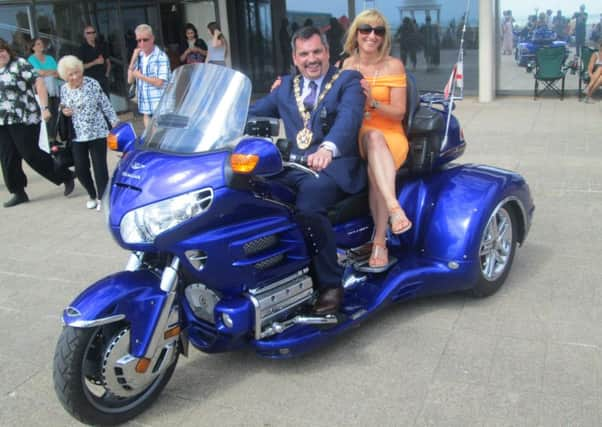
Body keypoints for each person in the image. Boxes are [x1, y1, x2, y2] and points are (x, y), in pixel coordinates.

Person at [249, 26, 366, 315]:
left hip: (335, 167)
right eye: (304, 53)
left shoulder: (348, 80)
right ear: (295, 57)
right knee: (250, 193)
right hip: (291, 166)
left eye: (316, 51)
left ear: (327, 52)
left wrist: (328, 148)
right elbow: (254, 111)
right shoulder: (287, 87)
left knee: (309, 206)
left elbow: (349, 119)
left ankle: (330, 283)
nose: (311, 59)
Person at [339, 9, 412, 269]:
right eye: (366, 29)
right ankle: (393, 212)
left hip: (390, 132)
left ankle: (380, 239)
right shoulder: (346, 65)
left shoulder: (393, 65)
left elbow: (399, 113)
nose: (372, 35)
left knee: (376, 144)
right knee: (370, 137)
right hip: (357, 132)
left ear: (384, 37)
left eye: (378, 31)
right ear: (356, 33)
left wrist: (373, 101)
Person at [0, 38, 74, 208]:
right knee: (7, 157)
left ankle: (65, 176)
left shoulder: (19, 64)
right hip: (3, 121)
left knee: (30, 154)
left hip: (25, 118)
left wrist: (45, 107)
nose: (1, 54)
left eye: (2, 50)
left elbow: (39, 83)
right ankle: (18, 192)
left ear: (8, 50)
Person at [58, 55, 118, 210]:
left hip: (97, 131)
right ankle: (91, 194)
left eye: (77, 72)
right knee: (81, 169)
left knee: (100, 167)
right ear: (66, 76)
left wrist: (115, 123)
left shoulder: (92, 84)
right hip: (77, 135)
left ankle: (102, 198)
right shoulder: (64, 89)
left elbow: (105, 104)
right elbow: (63, 106)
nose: (75, 76)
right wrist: (64, 111)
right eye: (71, 74)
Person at [127, 24, 171, 128]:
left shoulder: (160, 57)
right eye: (139, 40)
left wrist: (140, 76)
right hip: (146, 106)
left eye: (145, 40)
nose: (142, 43)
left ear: (152, 39)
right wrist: (133, 58)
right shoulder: (140, 56)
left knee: (160, 139)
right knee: (149, 138)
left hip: (160, 106)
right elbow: (130, 80)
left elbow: (160, 82)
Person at [28, 37, 60, 144]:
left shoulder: (50, 58)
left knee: (55, 114)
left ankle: (54, 138)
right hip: (42, 92)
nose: (41, 45)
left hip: (54, 90)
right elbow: (39, 73)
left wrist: (47, 72)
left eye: (41, 43)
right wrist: (50, 72)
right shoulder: (31, 59)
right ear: (33, 47)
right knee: (47, 113)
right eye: (38, 44)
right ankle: (48, 139)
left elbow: (58, 73)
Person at [78, 25, 111, 95]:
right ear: (85, 35)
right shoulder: (82, 49)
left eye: (93, 32)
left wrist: (107, 75)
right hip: (90, 81)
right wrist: (95, 62)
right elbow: (81, 66)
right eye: (88, 33)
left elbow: (108, 62)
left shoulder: (101, 45)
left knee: (106, 102)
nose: (91, 34)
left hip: (103, 79)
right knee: (93, 103)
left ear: (95, 34)